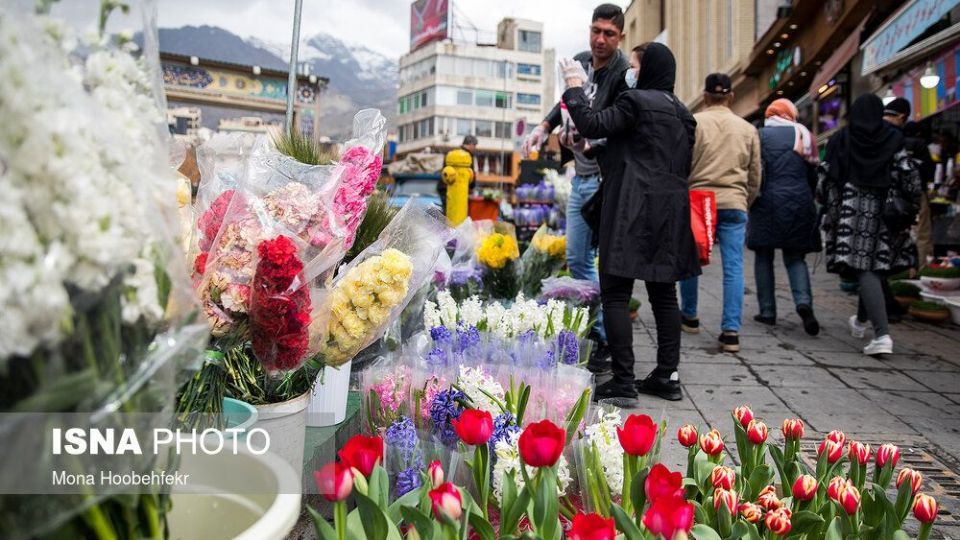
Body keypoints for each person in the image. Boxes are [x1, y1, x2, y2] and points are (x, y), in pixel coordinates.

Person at [561, 43, 700, 401]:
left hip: (630, 209)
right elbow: (655, 153)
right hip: (670, 212)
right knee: (664, 295)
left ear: (648, 69)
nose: (630, 72)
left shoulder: (634, 101)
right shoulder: (683, 113)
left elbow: (591, 123)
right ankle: (667, 375)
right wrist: (598, 150)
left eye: (635, 65)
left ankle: (623, 380)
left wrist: (574, 87)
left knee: (616, 294)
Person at [521, 3, 630, 373]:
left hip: (605, 179)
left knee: (603, 262)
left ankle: (604, 335)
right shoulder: (582, 62)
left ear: (620, 37)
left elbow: (613, 122)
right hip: (581, 177)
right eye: (596, 31)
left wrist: (588, 143)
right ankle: (593, 330)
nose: (600, 40)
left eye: (609, 34)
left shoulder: (622, 74)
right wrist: (543, 127)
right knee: (577, 255)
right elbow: (564, 102)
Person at [818, 94, 921, 356]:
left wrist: (830, 212)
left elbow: (825, 179)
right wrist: (910, 208)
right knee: (872, 268)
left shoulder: (841, 138)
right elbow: (910, 178)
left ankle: (882, 335)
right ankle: (861, 320)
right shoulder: (893, 139)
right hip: (886, 214)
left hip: (850, 214)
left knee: (865, 268)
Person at [680, 73, 762, 353]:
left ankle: (689, 316)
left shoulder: (694, 123)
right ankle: (730, 331)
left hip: (699, 200)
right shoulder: (747, 129)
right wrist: (745, 200)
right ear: (731, 96)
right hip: (734, 201)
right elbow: (755, 174)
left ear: (705, 96)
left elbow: (682, 164)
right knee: (734, 266)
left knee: (691, 260)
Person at [747, 98, 821, 335]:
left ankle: (768, 311)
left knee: (763, 256)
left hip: (766, 202)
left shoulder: (759, 135)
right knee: (795, 257)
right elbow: (813, 175)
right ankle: (804, 303)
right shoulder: (804, 135)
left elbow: (753, 170)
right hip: (799, 202)